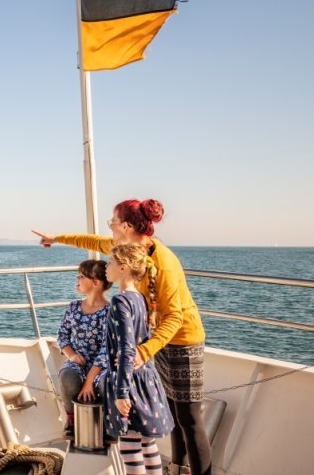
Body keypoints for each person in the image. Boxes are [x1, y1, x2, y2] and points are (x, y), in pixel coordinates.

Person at [33, 199, 211, 475]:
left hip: (182, 340)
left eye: (112, 223)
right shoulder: (125, 251)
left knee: (189, 417)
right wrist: (56, 239)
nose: (110, 229)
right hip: (154, 342)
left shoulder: (163, 260)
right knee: (173, 410)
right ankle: (176, 468)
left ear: (126, 226)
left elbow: (175, 317)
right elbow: (90, 241)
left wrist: (142, 352)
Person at [104, 244, 174, 475]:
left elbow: (126, 348)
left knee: (131, 445)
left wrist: (121, 392)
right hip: (145, 378)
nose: (106, 267)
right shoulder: (140, 299)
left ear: (123, 268)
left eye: (110, 263)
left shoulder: (120, 302)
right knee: (147, 443)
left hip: (128, 382)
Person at [56, 259, 110, 437]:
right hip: (79, 360)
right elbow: (62, 336)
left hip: (102, 365)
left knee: (106, 382)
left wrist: (89, 381)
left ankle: (108, 420)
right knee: (67, 376)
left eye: (81, 276)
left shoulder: (109, 312)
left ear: (96, 283)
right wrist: (71, 355)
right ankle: (72, 418)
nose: (77, 279)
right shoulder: (73, 307)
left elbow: (107, 349)